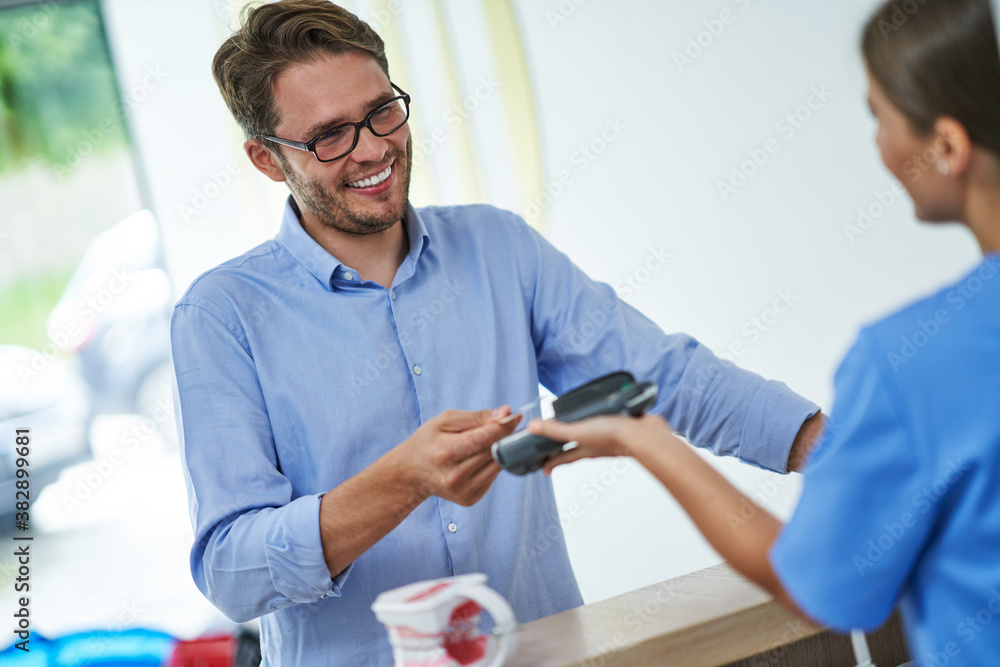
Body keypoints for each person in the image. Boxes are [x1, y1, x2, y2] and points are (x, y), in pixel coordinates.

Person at [169, 1, 824, 663]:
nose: (373, 148)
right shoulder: (222, 315)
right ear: (267, 159)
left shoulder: (497, 247)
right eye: (330, 136)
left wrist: (841, 455)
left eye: (382, 112)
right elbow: (232, 570)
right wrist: (402, 480)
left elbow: (664, 378)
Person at [529, 0, 1000, 663]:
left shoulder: (911, 362)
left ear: (946, 145)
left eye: (878, 116)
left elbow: (815, 584)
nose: (878, 144)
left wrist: (647, 442)